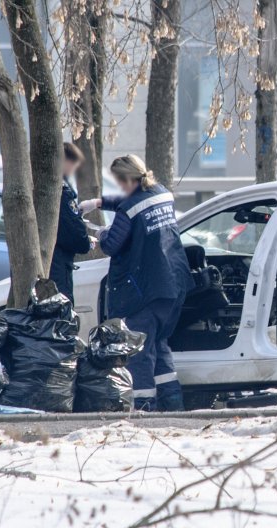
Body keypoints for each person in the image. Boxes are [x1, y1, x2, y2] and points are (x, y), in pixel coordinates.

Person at [80, 155, 193, 411]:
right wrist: (98, 203)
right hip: (173, 285)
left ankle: (144, 410)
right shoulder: (161, 193)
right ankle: (173, 404)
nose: (119, 188)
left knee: (139, 351)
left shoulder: (130, 208)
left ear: (127, 179)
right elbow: (132, 202)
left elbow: (111, 245)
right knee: (159, 345)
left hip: (145, 291)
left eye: (119, 182)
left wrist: (100, 232)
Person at [50, 142, 94, 303]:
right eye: (73, 165)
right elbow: (73, 232)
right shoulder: (62, 192)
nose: (73, 170)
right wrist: (87, 241)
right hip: (58, 266)